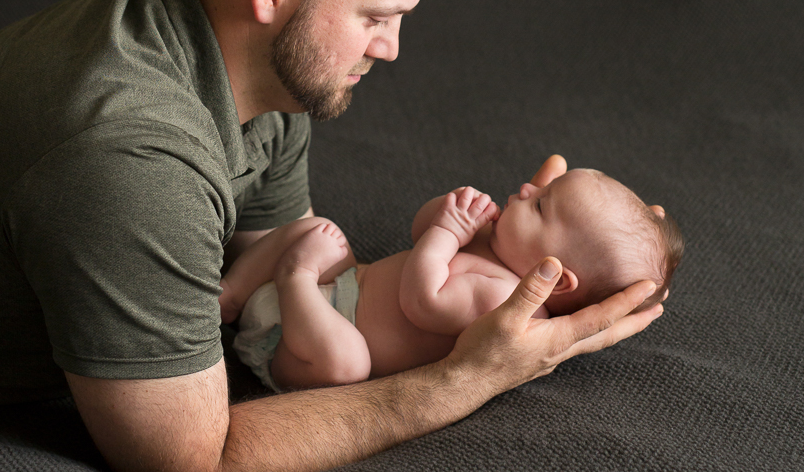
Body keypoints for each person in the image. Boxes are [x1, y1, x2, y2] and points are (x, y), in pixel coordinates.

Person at [0, 0, 664, 472]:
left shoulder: (255, 67)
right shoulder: (132, 161)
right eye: (376, 17)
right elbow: (190, 458)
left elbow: (285, 266)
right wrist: (472, 375)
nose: (391, 48)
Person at [224, 156, 683, 392]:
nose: (527, 187)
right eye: (542, 186)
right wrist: (445, 214)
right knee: (319, 230)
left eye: (541, 204)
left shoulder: (504, 299)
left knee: (349, 364)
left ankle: (293, 276)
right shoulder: (498, 241)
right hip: (341, 288)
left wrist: (449, 231)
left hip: (303, 344)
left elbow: (422, 299)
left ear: (557, 279)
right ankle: (233, 291)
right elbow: (419, 232)